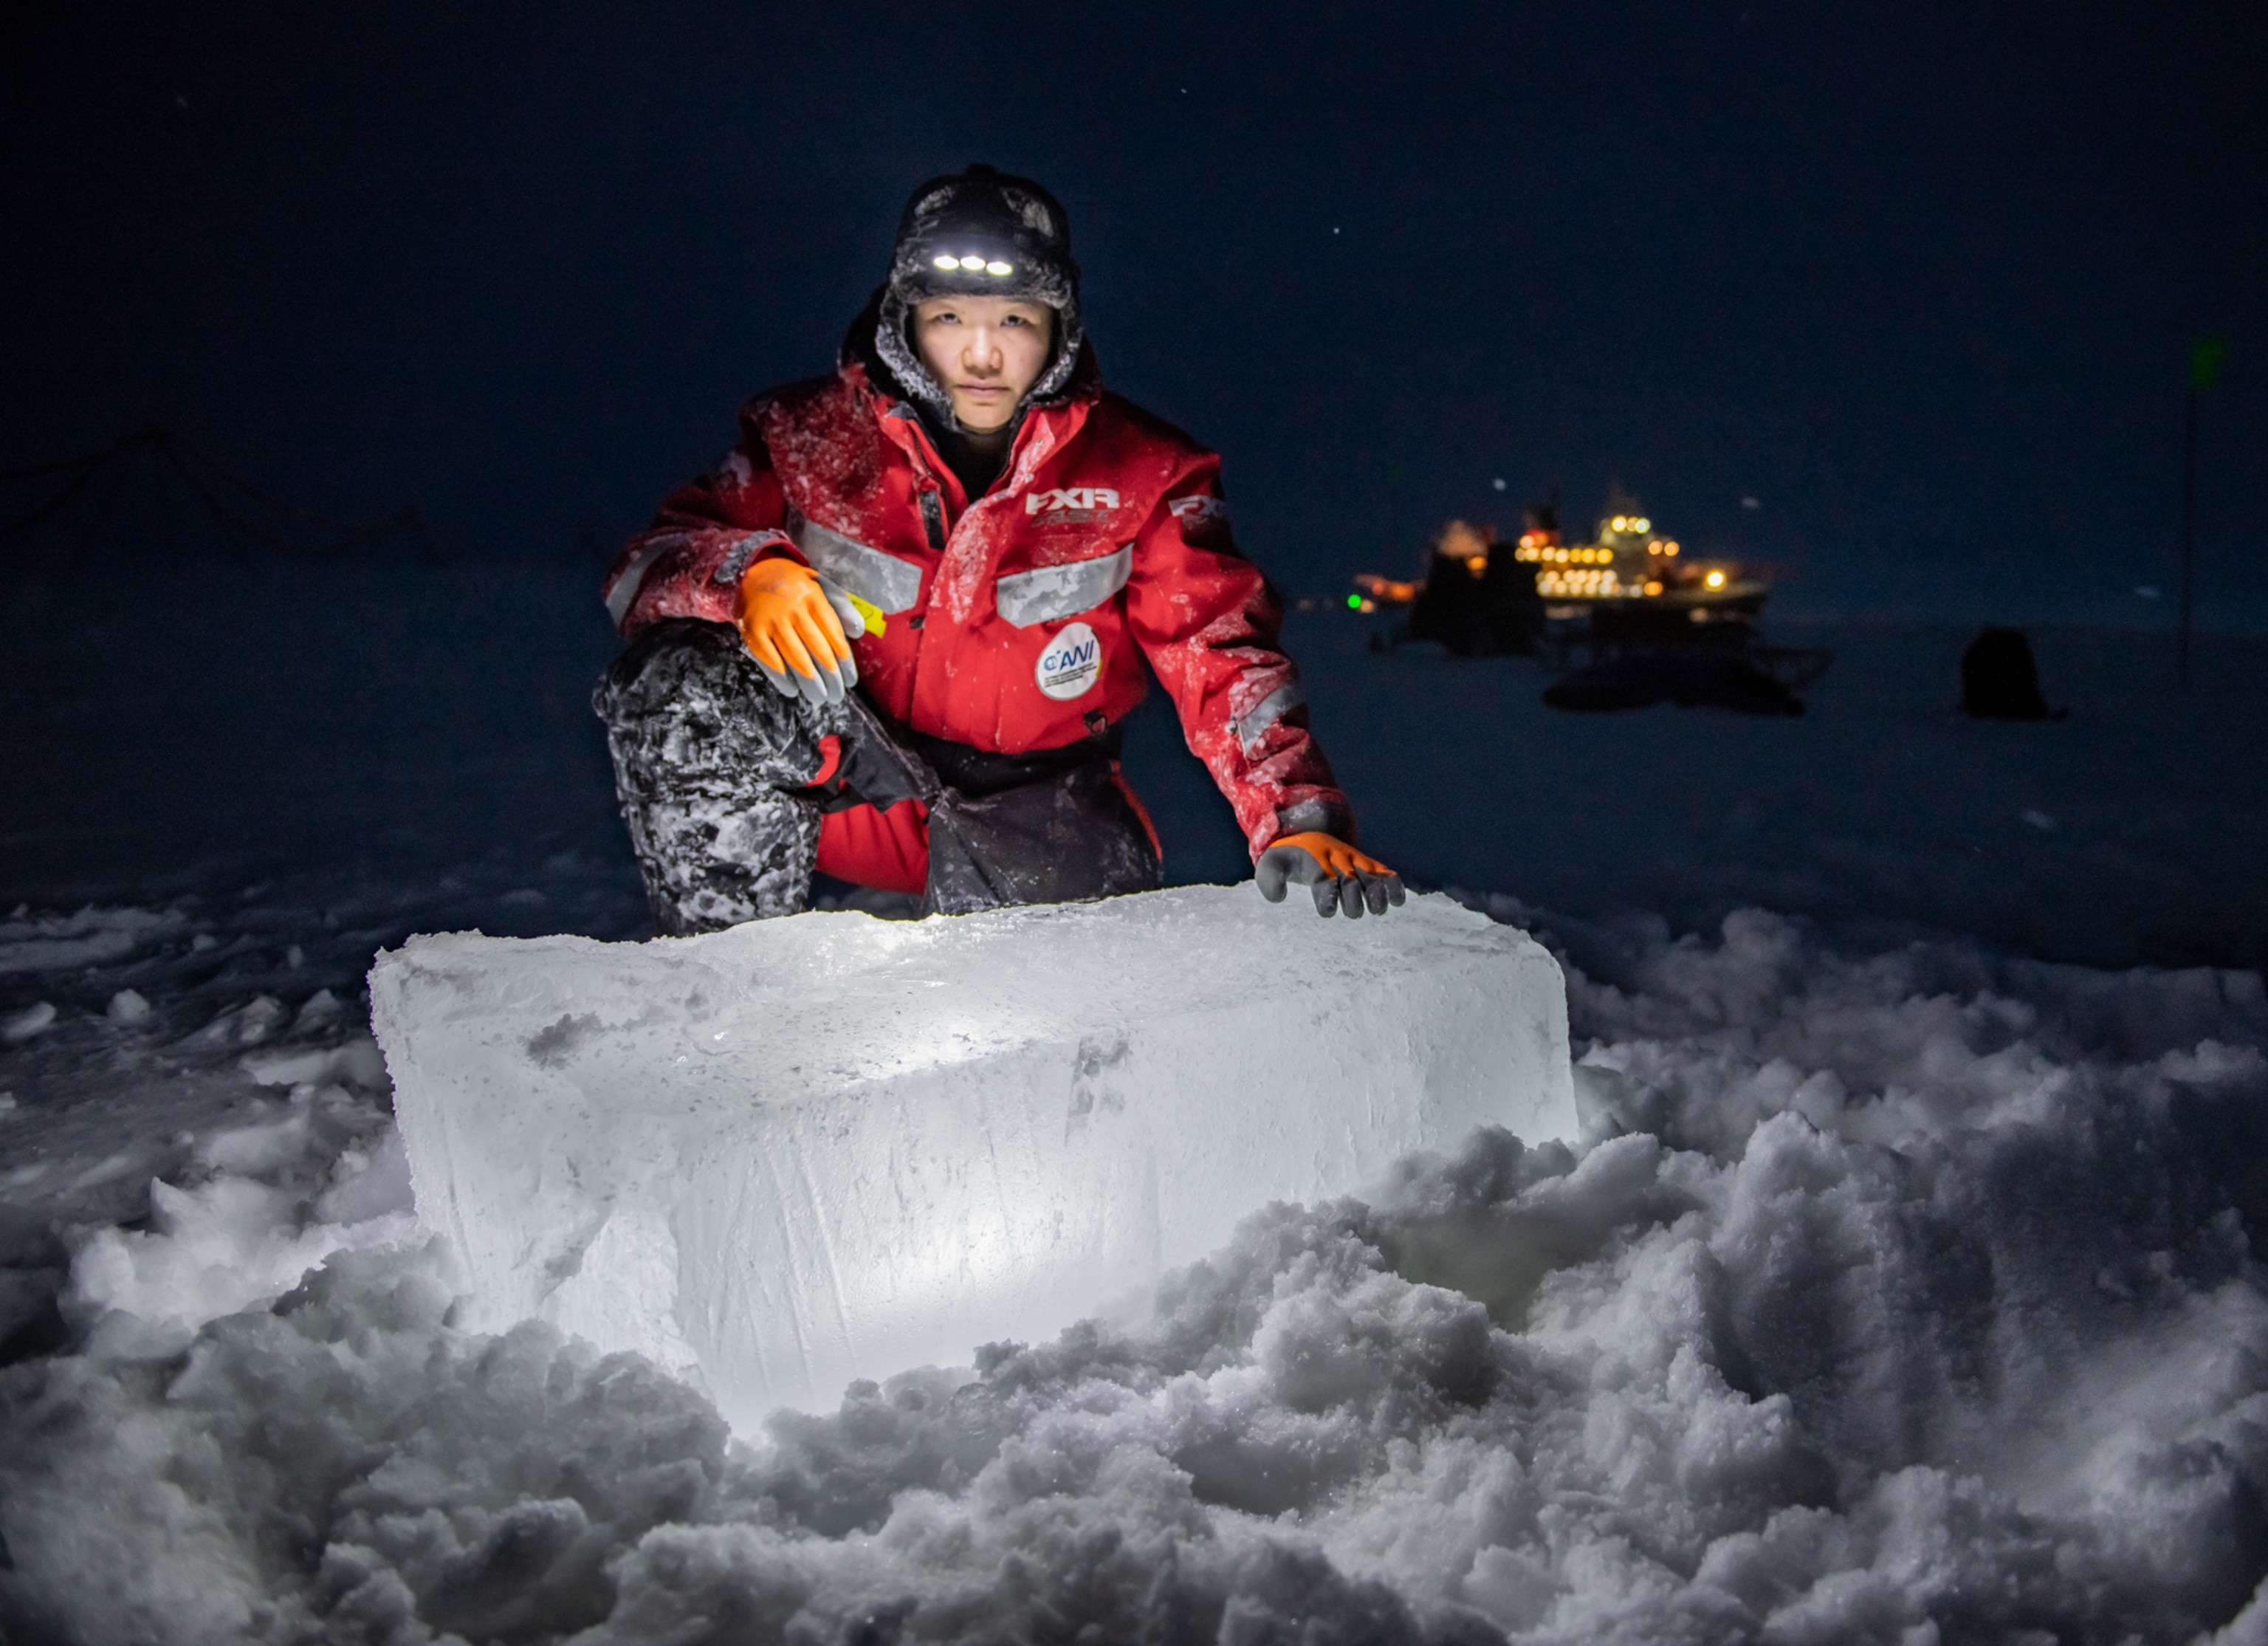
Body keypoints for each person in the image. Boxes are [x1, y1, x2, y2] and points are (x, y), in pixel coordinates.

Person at [594, 165, 1401, 930]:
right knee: (679, 685)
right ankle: (734, 991)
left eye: (1015, 321)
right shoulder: (802, 437)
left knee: (1070, 1014)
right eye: (949, 319)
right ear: (904, 324)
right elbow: (645, 564)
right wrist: (748, 575)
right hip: (848, 780)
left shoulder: (1148, 474)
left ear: (1060, 327)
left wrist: (1298, 816)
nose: (982, 355)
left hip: (1037, 807)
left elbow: (1222, 653)